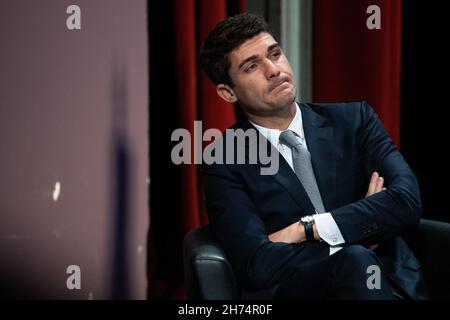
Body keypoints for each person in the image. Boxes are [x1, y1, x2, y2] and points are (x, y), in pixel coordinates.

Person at [199, 13, 428, 299]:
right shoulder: (224, 159)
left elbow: (407, 202)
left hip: (391, 284)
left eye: (275, 54)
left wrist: (307, 228)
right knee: (355, 260)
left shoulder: (355, 121)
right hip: (306, 292)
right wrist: (361, 231)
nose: (273, 69)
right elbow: (256, 264)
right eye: (251, 67)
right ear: (228, 92)